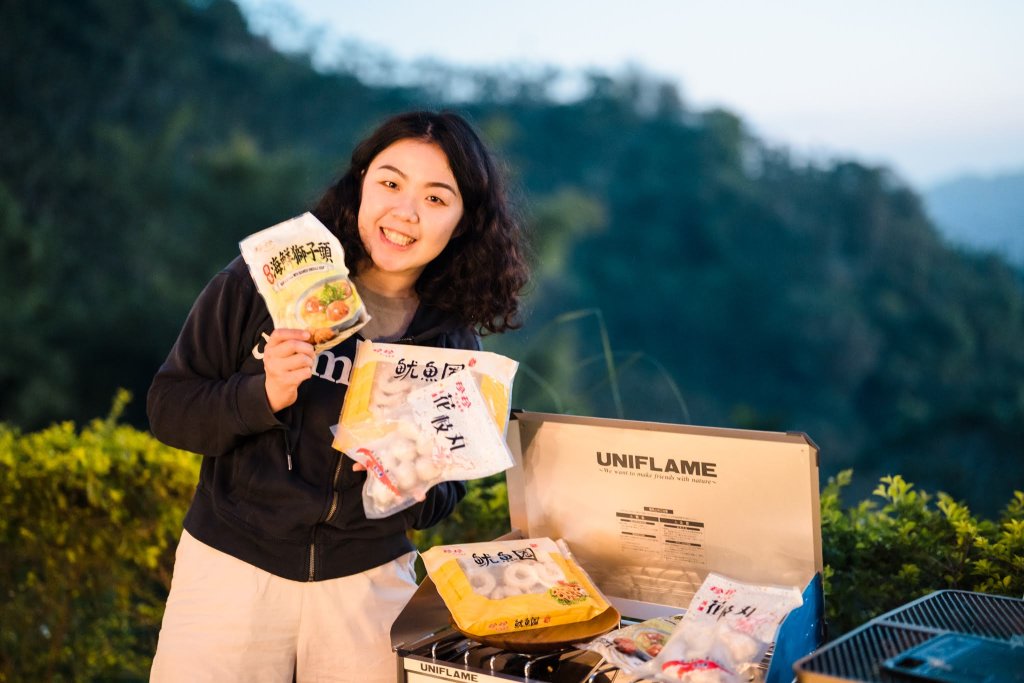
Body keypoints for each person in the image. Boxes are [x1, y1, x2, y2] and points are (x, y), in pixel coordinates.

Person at [146, 110, 529, 682]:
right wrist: (264, 393)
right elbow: (170, 409)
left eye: (435, 198)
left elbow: (444, 496)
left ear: (463, 221)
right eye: (391, 182)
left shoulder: (453, 344)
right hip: (230, 568)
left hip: (368, 584)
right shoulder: (268, 284)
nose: (405, 212)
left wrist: (411, 476)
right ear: (360, 185)